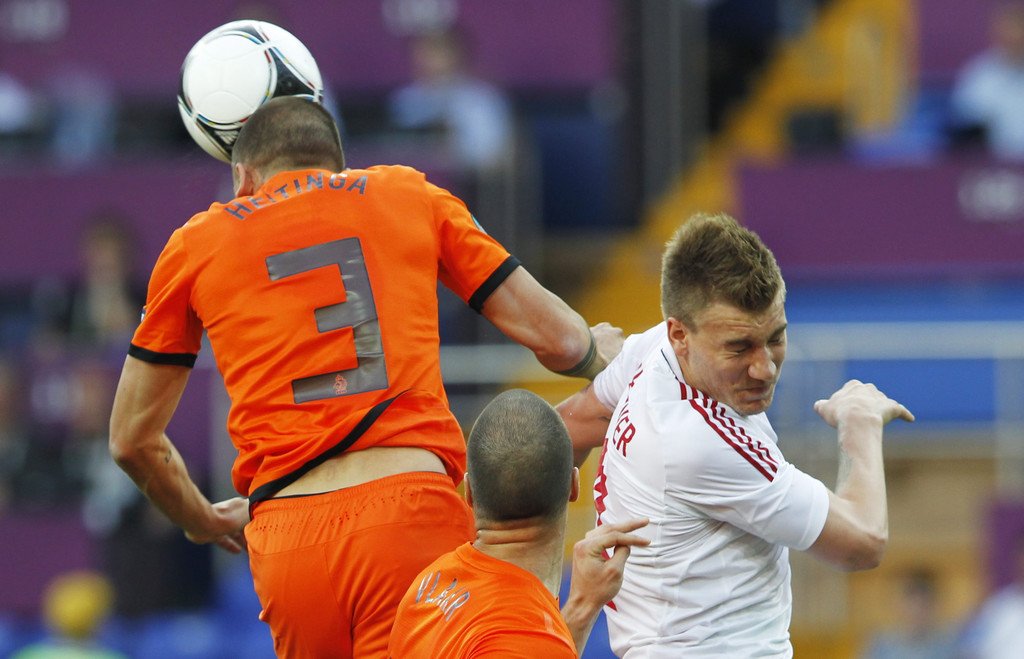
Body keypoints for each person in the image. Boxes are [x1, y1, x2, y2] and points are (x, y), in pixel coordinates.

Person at [108, 96, 620, 658]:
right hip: (408, 511)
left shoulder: (195, 243)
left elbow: (131, 440)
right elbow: (558, 340)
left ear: (242, 178)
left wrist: (201, 519)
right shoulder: (406, 193)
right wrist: (600, 358)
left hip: (287, 534)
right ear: (339, 164)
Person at [557, 212, 915, 656]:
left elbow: (569, 426)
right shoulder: (699, 441)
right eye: (739, 348)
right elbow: (862, 542)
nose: (764, 368)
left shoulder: (653, 350)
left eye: (776, 338)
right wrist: (859, 424)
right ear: (680, 334)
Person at [388, 388, 649, 657]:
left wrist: (583, 606)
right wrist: (582, 604)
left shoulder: (427, 586)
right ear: (573, 486)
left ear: (469, 492)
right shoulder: (526, 637)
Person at [388, 27, 514, 173]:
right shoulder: (405, 98)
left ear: (457, 54)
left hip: (466, 180)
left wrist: (449, 153)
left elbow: (490, 156)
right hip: (408, 179)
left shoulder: (481, 99)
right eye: (422, 52)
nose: (427, 60)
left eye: (437, 51)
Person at [950, 1, 1024, 160]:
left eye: (1020, 32)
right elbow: (968, 128)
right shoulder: (979, 75)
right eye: (1009, 32)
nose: (1015, 39)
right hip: (991, 165)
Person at [863, 568, 956, 659]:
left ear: (935, 605)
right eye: (911, 604)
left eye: (923, 604)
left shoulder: (950, 644)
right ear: (898, 605)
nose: (917, 611)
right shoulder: (881, 644)